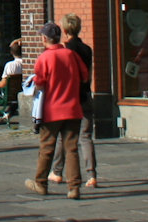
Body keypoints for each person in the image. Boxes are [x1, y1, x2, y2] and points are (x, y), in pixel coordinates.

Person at [25, 22, 87, 199]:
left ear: (44, 38)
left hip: (52, 110)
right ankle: (74, 187)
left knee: (47, 148)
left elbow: (40, 82)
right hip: (73, 108)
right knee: (72, 149)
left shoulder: (44, 58)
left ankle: (41, 183)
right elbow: (85, 76)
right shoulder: (71, 55)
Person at [47, 14, 98, 188]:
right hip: (85, 95)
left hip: (69, 98)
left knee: (64, 136)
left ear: (66, 30)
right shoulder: (87, 49)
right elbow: (88, 74)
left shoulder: (64, 50)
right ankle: (91, 175)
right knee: (85, 137)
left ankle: (57, 172)